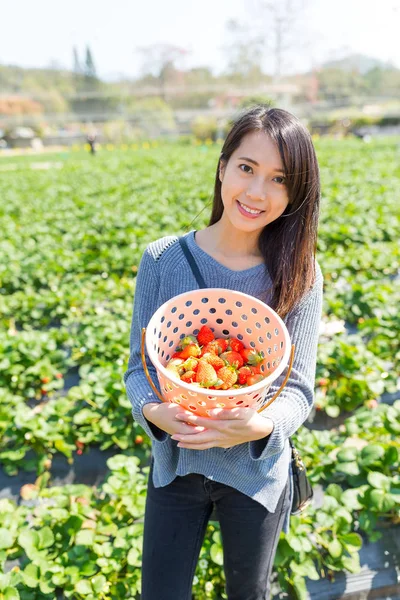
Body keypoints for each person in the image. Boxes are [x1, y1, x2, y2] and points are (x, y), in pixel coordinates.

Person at [123, 105, 323, 600]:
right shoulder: (163, 260)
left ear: (295, 193)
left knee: (248, 593)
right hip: (177, 464)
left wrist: (260, 425)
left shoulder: (299, 273)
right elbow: (138, 368)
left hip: (255, 473)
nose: (256, 193)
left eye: (278, 179)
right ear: (222, 167)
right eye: (246, 168)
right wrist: (155, 412)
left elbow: (296, 388)